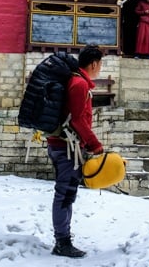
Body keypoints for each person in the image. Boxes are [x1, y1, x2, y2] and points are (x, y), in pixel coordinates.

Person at [46, 44, 105, 258]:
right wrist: (95, 144)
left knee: (67, 193)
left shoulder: (75, 80)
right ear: (93, 64)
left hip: (62, 145)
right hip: (66, 148)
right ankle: (62, 242)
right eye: (100, 64)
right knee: (64, 194)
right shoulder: (79, 84)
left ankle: (64, 238)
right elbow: (79, 119)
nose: (100, 69)